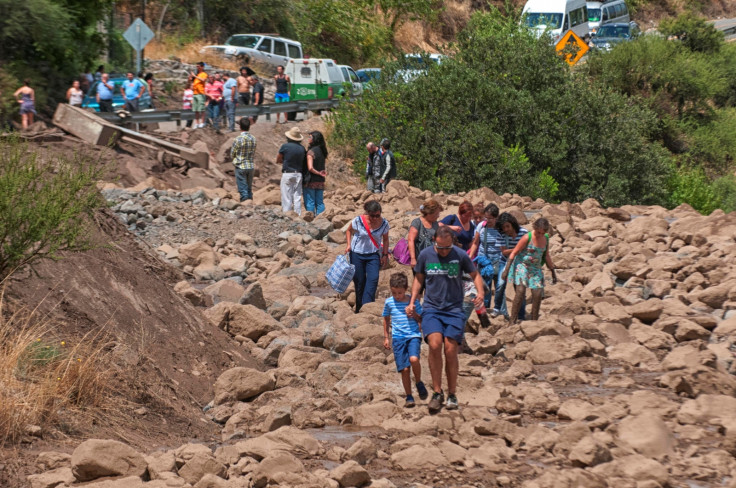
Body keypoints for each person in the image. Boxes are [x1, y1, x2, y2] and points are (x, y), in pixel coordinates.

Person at [407, 226, 484, 412]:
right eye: (440, 248)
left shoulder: (459, 255)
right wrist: (412, 300)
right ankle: (436, 392)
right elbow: (419, 278)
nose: (444, 251)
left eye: (447, 248)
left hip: (454, 309)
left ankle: (452, 393)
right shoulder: (426, 255)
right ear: (434, 241)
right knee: (434, 345)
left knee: (450, 349)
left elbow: (475, 274)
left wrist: (480, 292)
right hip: (432, 308)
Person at [383, 272, 429, 408]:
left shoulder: (413, 302)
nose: (397, 296)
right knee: (404, 369)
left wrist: (414, 313)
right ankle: (409, 396)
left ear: (406, 289)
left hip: (413, 335)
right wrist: (386, 337)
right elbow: (386, 319)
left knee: (414, 359)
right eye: (394, 293)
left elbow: (421, 319)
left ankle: (419, 381)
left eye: (400, 293)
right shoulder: (389, 302)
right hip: (398, 338)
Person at [502, 217, 558, 324]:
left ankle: (534, 322)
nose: (540, 235)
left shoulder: (545, 238)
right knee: (520, 291)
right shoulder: (527, 237)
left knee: (537, 294)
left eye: (542, 233)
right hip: (522, 265)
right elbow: (514, 252)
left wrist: (553, 272)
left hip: (535, 268)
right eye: (538, 232)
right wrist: (506, 270)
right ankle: (512, 321)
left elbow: (546, 256)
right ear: (535, 228)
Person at [345, 201, 390, 313]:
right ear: (367, 213)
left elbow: (385, 239)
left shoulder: (384, 223)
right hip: (357, 254)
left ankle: (367, 307)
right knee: (359, 282)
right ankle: (359, 308)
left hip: (373, 254)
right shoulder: (358, 220)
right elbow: (348, 230)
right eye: (372, 216)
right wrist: (348, 245)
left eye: (377, 215)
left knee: (373, 279)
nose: (375, 218)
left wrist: (384, 255)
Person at [468, 204, 503, 312]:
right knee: (484, 286)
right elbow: (475, 243)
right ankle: (485, 309)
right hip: (484, 260)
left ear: (496, 217)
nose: (488, 220)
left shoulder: (501, 228)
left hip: (498, 260)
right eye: (486, 218)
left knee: (500, 285)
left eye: (490, 218)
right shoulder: (481, 226)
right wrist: (469, 258)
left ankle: (498, 308)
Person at [496, 212, 528, 320]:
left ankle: (521, 315)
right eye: (503, 227)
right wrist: (519, 248)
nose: (506, 229)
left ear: (512, 224)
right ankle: (499, 310)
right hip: (505, 261)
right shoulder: (501, 234)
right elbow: (504, 252)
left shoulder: (524, 232)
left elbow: (528, 249)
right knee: (500, 284)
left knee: (519, 290)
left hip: (520, 263)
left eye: (507, 226)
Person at [277, 127, 307, 215]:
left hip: (288, 173)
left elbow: (278, 159)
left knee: (287, 196)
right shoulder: (302, 148)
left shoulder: (285, 146)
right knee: (297, 196)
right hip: (298, 174)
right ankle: (298, 215)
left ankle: (287, 214)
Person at [408, 199, 442, 269]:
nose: (438, 216)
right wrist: (413, 258)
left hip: (433, 260)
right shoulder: (417, 223)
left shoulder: (435, 224)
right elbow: (410, 240)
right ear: (429, 213)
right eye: (436, 214)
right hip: (419, 259)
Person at [231, 117, 257, 201]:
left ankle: (245, 205)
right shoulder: (253, 139)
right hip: (250, 165)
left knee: (243, 190)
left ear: (240, 127)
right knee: (249, 188)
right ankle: (250, 204)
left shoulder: (238, 139)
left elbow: (232, 153)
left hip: (240, 166)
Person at [304, 131, 328, 215]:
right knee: (320, 202)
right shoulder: (322, 151)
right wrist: (321, 173)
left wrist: (318, 173)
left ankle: (310, 220)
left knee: (310, 202)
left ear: (314, 139)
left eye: (310, 137)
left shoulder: (311, 152)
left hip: (311, 179)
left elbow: (310, 168)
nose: (308, 139)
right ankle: (320, 220)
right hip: (320, 180)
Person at [189, 61, 208, 129]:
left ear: (202, 67)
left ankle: (202, 122)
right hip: (195, 93)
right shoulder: (196, 75)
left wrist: (195, 76)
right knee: (196, 109)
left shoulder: (204, 74)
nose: (197, 68)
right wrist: (191, 78)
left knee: (202, 109)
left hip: (201, 93)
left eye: (199, 66)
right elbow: (191, 82)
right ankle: (197, 123)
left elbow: (203, 80)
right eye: (197, 66)